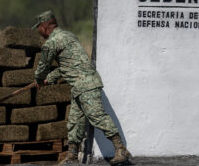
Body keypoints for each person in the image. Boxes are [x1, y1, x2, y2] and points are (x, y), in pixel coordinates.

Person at [32, 10, 132, 165]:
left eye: (39, 27)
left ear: (44, 26)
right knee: (75, 122)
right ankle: (72, 157)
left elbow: (43, 66)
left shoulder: (52, 42)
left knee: (97, 116)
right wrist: (49, 79)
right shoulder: (69, 36)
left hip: (85, 85)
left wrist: (39, 79)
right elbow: (68, 66)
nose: (39, 32)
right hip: (80, 86)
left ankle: (121, 149)